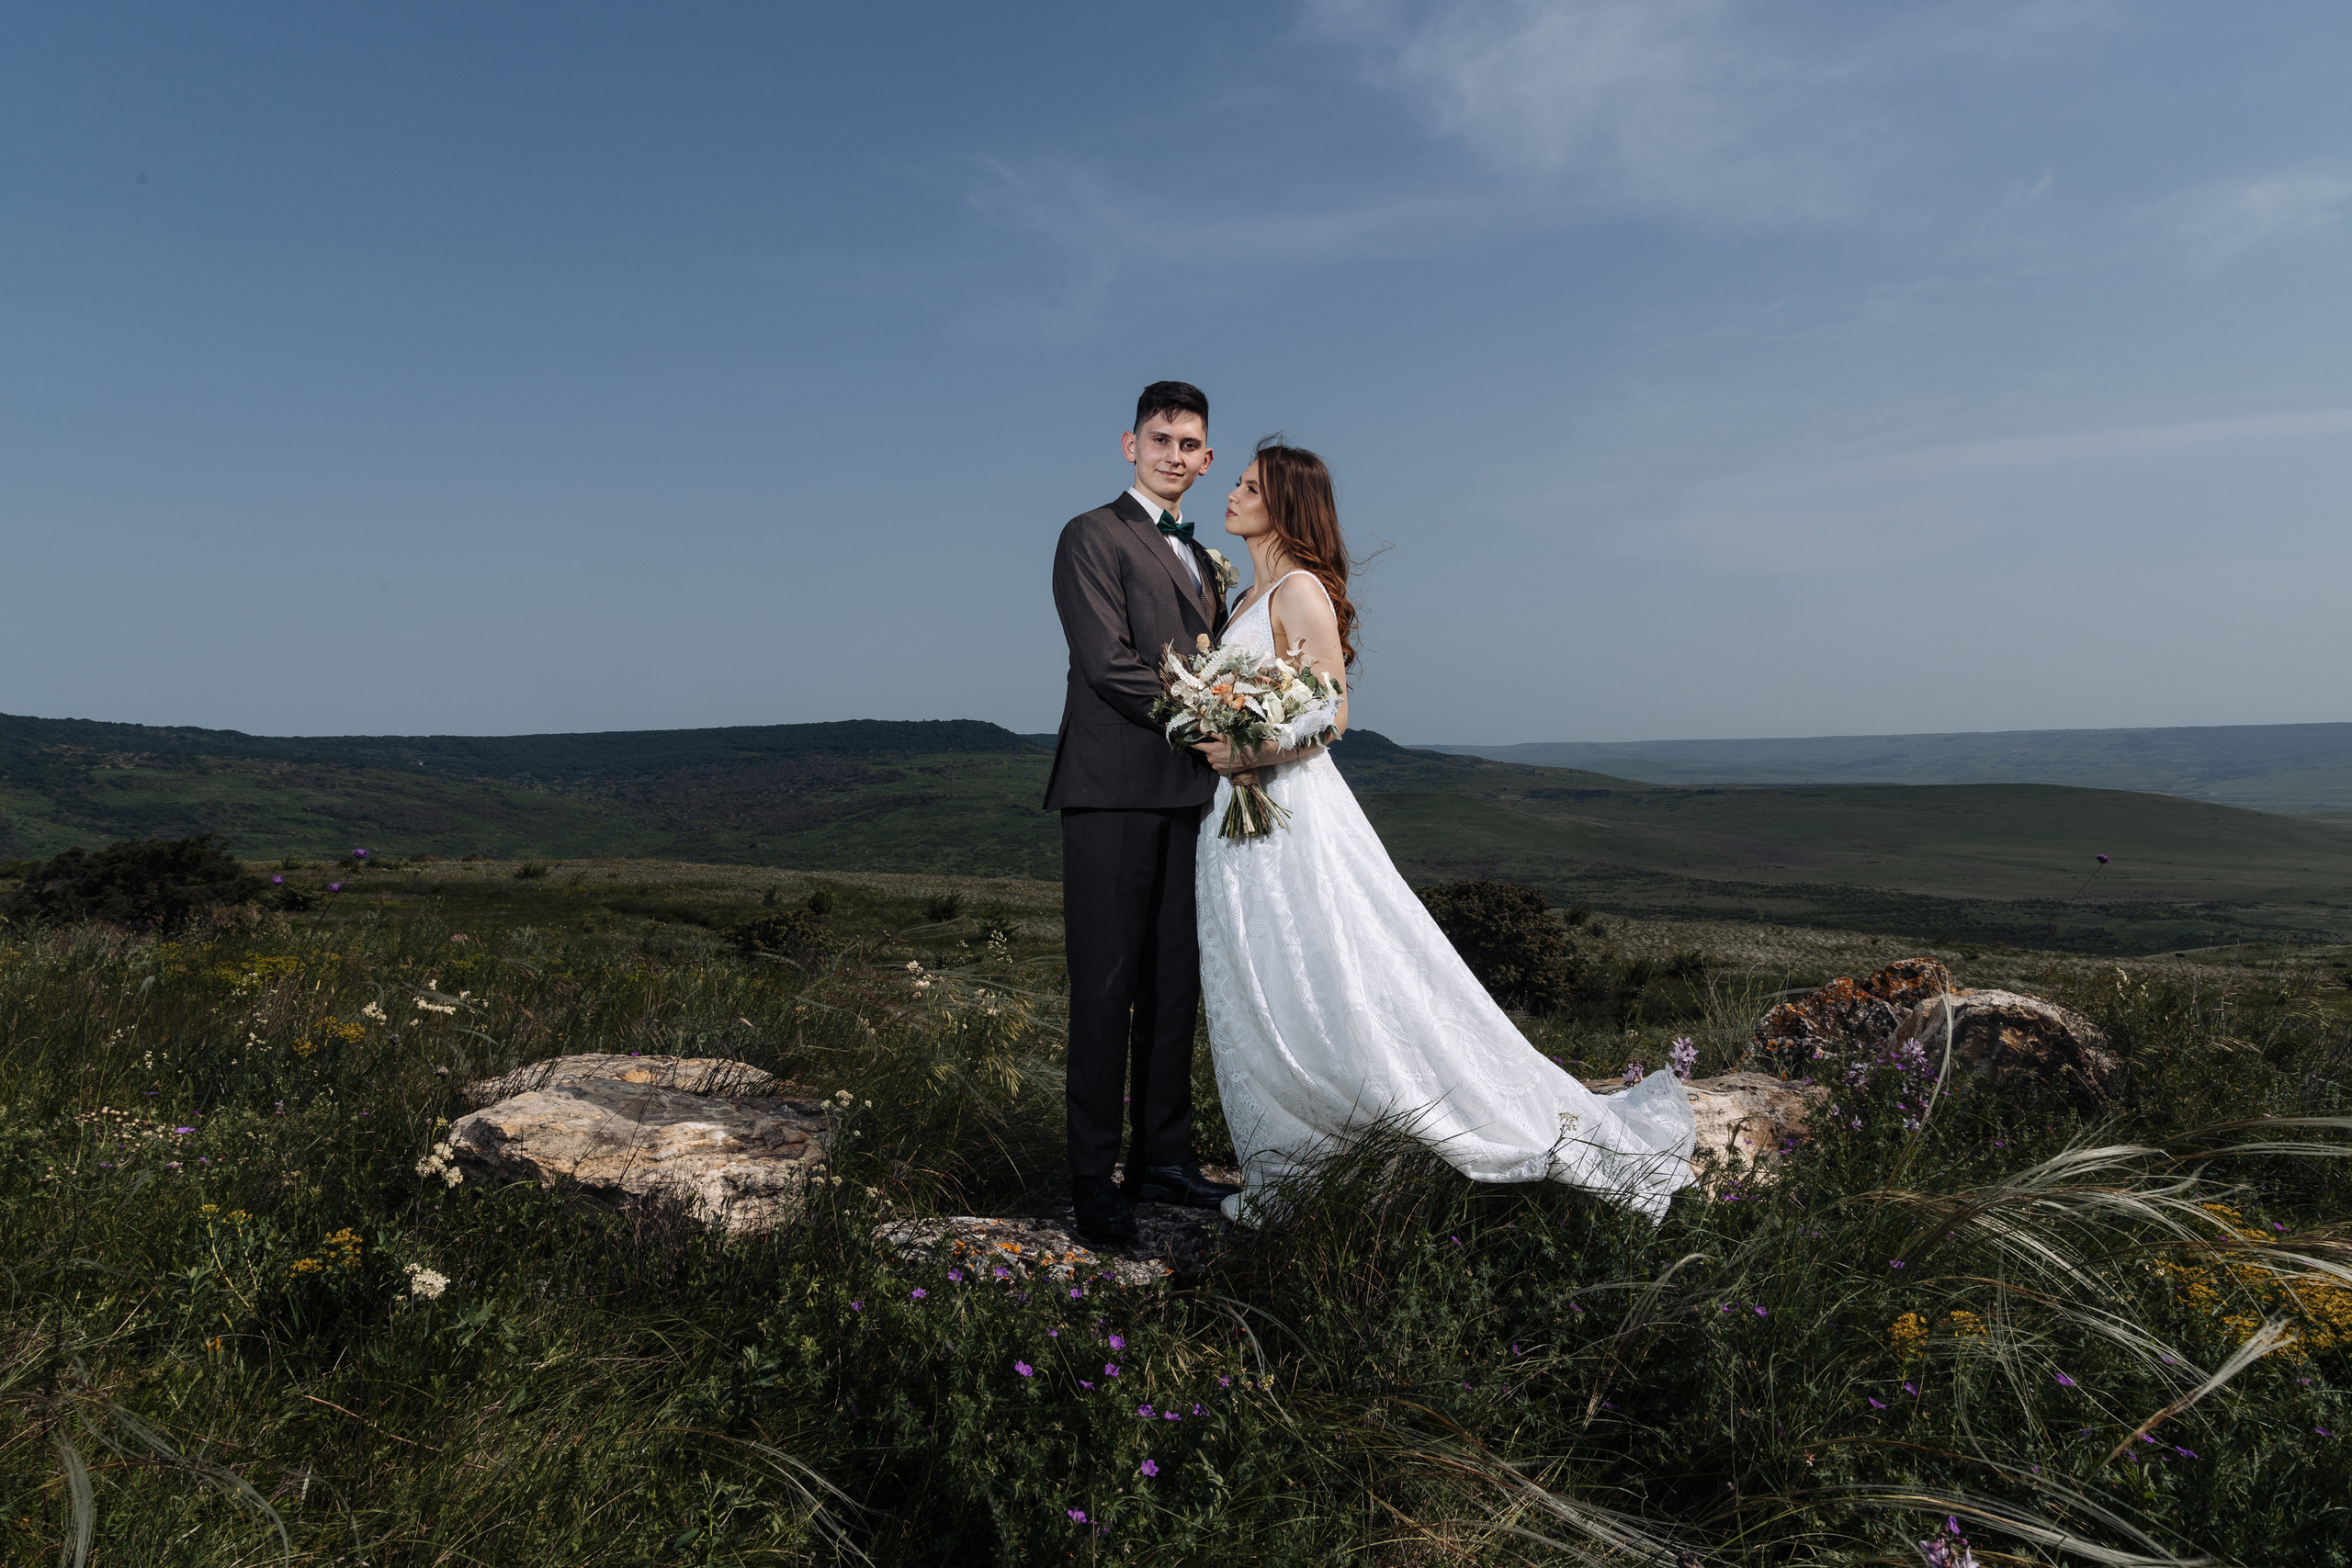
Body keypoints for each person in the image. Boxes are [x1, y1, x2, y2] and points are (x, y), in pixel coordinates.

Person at [1189, 438, 1698, 1224]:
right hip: (1235, 818)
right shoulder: (1244, 601)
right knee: (1260, 980)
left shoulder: (1299, 591)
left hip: (1291, 814)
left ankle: (1394, 1128)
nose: (1231, 493)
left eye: (1248, 486)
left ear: (1285, 505)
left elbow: (1333, 714)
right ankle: (1296, 1158)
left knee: (1323, 971)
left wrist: (1247, 747)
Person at [1045, 381, 1244, 1243]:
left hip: (1190, 794)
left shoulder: (1204, 560)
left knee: (1173, 985)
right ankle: (1093, 1173)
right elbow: (1107, 664)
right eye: (1158, 437)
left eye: (1189, 442)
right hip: (1109, 790)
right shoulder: (1091, 534)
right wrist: (1216, 720)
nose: (1173, 453)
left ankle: (1163, 1153)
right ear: (1129, 445)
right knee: (1106, 985)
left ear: (1205, 457)